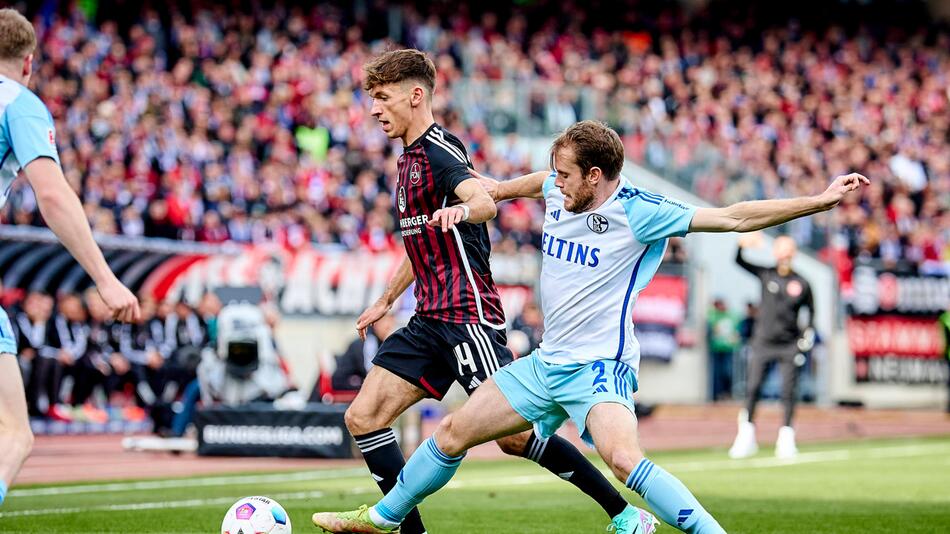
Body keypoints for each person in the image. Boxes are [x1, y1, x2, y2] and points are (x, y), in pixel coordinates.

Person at [312, 120, 869, 534]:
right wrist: (495, 191)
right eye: (553, 172)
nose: (554, 184)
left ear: (595, 177)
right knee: (453, 434)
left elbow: (734, 216)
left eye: (564, 174)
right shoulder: (559, 188)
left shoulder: (638, 210)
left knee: (624, 461)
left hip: (599, 367)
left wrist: (820, 201)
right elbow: (529, 185)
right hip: (545, 363)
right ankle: (385, 519)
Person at [331, 51, 632, 534]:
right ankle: (409, 531)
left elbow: (483, 201)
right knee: (363, 416)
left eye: (383, 98)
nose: (374, 109)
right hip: (429, 319)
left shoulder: (440, 151)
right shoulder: (406, 160)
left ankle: (624, 514)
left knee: (514, 440)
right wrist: (387, 299)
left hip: (469, 318)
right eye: (372, 99)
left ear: (416, 96)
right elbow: (419, 241)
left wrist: (463, 211)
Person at [0, 8, 140, 506]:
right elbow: (53, 195)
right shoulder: (18, 101)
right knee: (13, 435)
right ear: (29, 62)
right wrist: (106, 279)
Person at [728, 233, 815, 460]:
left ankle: (786, 438)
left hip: (789, 346)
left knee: (788, 391)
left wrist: (806, 337)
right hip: (763, 343)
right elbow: (739, 261)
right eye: (781, 249)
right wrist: (740, 245)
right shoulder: (766, 274)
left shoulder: (802, 282)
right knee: (753, 387)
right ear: (775, 253)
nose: (785, 254)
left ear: (793, 253)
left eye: (789, 249)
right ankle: (746, 436)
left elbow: (811, 314)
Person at [331, 314, 395, 391]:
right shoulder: (369, 341)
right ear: (375, 323)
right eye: (385, 322)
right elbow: (371, 373)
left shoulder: (381, 341)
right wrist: (389, 346)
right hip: (345, 385)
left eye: (391, 321)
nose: (389, 326)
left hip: (359, 384)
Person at [707, 298, 739, 401]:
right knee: (717, 374)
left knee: (728, 372)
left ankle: (727, 393)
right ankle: (717, 395)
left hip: (728, 350)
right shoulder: (713, 315)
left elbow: (737, 331)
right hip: (716, 349)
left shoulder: (732, 316)